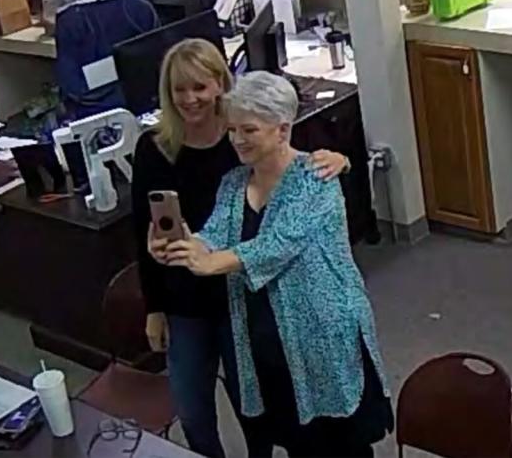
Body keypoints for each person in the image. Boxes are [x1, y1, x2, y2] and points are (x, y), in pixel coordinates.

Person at [132, 39, 350, 458]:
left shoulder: (269, 157)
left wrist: (342, 160)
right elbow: (210, 227)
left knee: (266, 409)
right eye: (180, 89)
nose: (190, 99)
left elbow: (278, 239)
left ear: (220, 85)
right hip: (193, 297)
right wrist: (179, 258)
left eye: (200, 87)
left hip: (251, 299)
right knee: (196, 409)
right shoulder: (184, 158)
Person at [158, 71, 393, 458]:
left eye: (248, 130)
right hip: (266, 343)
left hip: (320, 337)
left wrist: (212, 262)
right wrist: (186, 245)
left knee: (339, 444)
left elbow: (278, 244)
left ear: (282, 130)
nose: (236, 139)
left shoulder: (315, 178)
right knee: (297, 441)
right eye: (232, 129)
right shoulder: (234, 183)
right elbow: (214, 231)